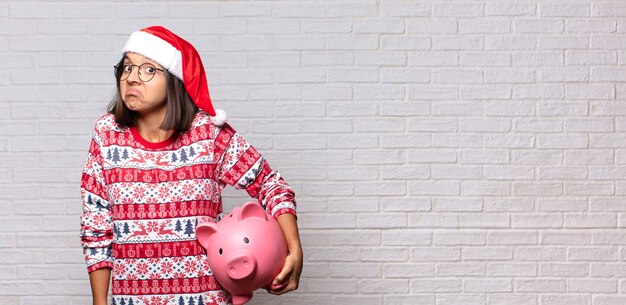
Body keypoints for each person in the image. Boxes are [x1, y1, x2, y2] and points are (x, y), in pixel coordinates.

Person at [79, 26, 302, 305]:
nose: (132, 77)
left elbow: (272, 185)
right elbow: (96, 228)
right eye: (126, 68)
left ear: (174, 79)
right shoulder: (106, 135)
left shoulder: (208, 135)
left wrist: (294, 250)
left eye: (148, 70)